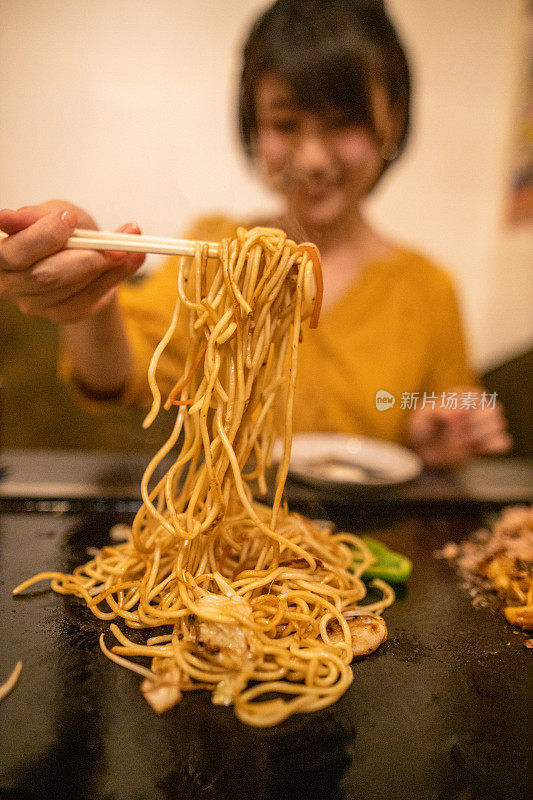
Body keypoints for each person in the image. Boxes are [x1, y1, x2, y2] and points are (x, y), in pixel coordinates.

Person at [0, 0, 510, 466]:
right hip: (225, 544)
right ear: (254, 126)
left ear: (391, 122)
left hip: (368, 542)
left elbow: (432, 413)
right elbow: (118, 373)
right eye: (285, 124)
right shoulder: (216, 249)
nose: (312, 159)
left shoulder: (428, 289)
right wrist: (91, 304)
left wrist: (438, 434)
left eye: (340, 124)